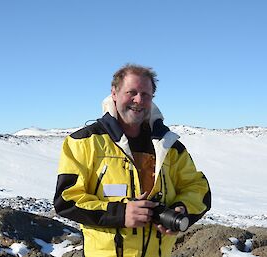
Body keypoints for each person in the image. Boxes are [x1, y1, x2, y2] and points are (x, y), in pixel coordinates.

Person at [54, 64, 211, 257]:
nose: (138, 100)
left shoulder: (169, 146)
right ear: (114, 93)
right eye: (132, 92)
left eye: (146, 95)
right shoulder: (83, 143)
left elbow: (198, 188)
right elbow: (67, 200)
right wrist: (120, 214)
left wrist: (182, 209)